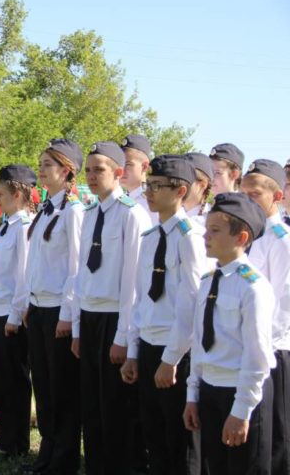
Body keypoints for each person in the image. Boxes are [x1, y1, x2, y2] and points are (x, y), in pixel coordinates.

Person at [120, 155, 206, 475]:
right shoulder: (151, 236)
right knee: (154, 435)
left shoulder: (190, 238)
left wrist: (171, 359)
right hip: (149, 346)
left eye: (157, 186)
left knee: (180, 444)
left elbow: (192, 302)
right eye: (148, 185)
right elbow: (140, 299)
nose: (149, 193)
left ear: (181, 191)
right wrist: (133, 352)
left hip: (177, 353)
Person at [72, 141, 151, 474]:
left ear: (118, 172)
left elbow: (133, 283)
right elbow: (80, 273)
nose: (92, 176)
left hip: (115, 319)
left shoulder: (132, 214)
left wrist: (124, 337)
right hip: (90, 316)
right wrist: (77, 328)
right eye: (88, 170)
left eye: (99, 170)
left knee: (116, 408)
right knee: (91, 405)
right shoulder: (89, 213)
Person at [183, 193, 274, 475]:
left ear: (241, 237)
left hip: (240, 393)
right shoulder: (208, 280)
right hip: (210, 389)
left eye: (215, 230)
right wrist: (193, 395)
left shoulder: (253, 287)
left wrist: (242, 410)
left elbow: (257, 357)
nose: (205, 236)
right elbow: (199, 343)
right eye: (207, 228)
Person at [23, 140, 84, 474]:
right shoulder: (45, 209)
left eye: (48, 164)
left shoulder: (73, 212)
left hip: (58, 311)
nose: (42, 170)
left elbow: (75, 268)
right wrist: (29, 302)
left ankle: (63, 460)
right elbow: (36, 263)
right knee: (43, 387)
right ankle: (46, 454)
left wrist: (66, 314)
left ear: (66, 170)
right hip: (39, 307)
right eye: (41, 164)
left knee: (62, 390)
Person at [240, 160, 290, 474]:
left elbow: (283, 305)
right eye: (243, 194)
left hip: (273, 350)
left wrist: (261, 350)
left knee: (277, 433)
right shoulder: (246, 235)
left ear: (277, 196)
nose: (248, 201)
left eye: (255, 194)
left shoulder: (281, 240)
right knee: (255, 433)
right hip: (246, 349)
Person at [0, 165, 35, 457]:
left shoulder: (24, 227)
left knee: (15, 381)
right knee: (1, 380)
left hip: (11, 316)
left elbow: (23, 277)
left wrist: (15, 317)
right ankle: (5, 440)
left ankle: (17, 444)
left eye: (2, 193)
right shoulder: (7, 225)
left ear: (17, 194)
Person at [121, 134, 158, 225]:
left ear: (144, 166)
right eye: (120, 164)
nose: (121, 169)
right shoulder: (121, 199)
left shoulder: (153, 200)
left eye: (128, 164)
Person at [183, 152, 214, 225]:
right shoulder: (165, 212)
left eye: (185, 178)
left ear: (203, 184)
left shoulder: (212, 218)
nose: (180, 183)